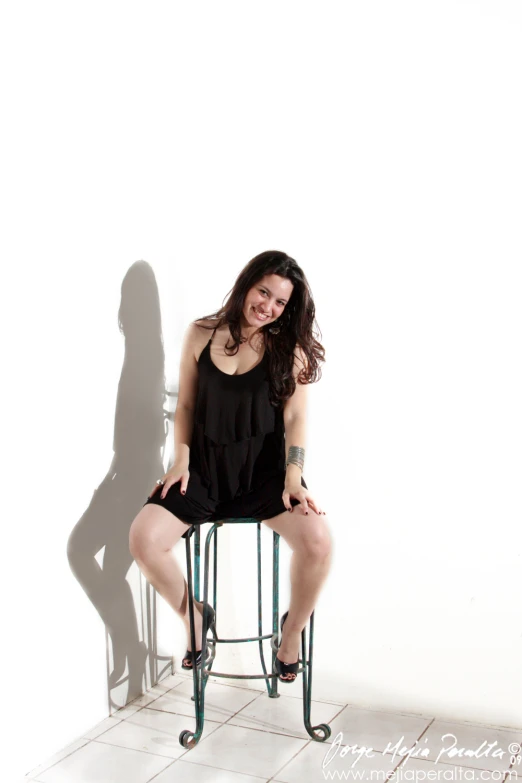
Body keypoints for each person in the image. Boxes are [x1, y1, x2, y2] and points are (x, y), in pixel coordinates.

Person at [129, 250, 332, 683]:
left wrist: (293, 475)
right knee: (144, 539)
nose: (268, 307)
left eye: (280, 302)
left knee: (318, 541)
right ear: (247, 283)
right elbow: (185, 404)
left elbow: (295, 419)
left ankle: (291, 634)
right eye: (263, 292)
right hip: (202, 470)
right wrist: (178, 460)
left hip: (264, 475)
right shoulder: (201, 333)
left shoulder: (287, 348)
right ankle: (195, 617)